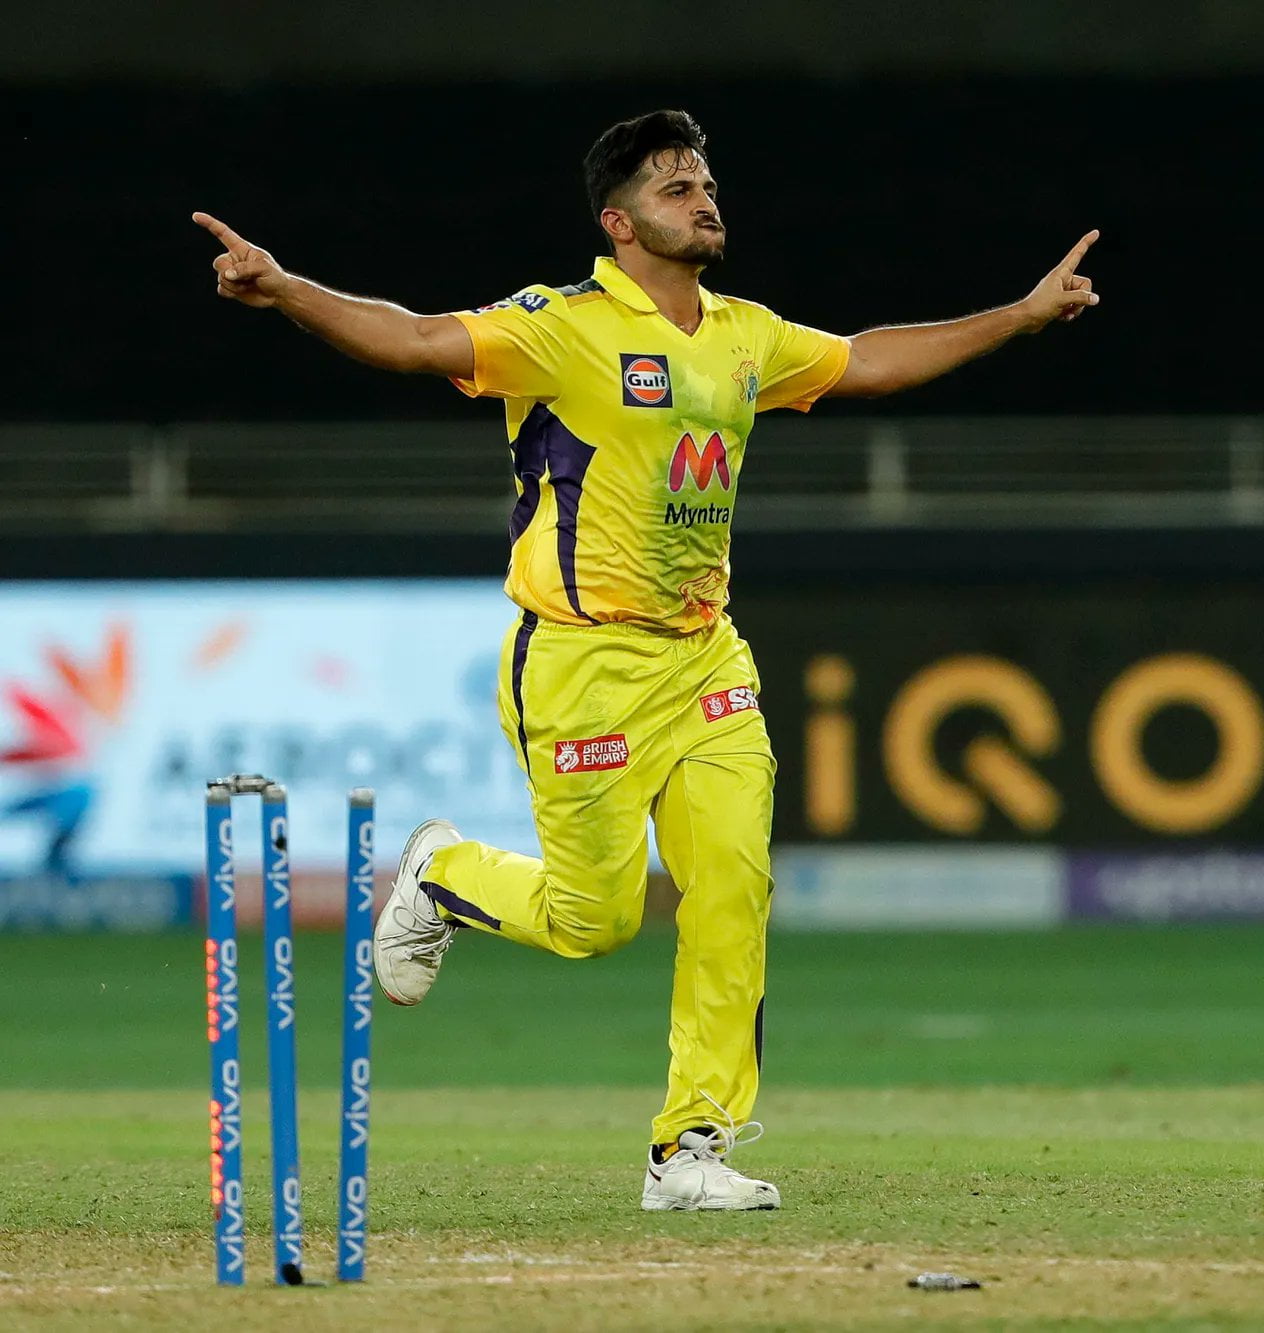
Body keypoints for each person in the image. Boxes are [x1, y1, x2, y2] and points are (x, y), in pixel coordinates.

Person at [192, 108, 1099, 1212]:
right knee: (597, 921)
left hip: (705, 658)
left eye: (706, 183)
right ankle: (441, 872)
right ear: (618, 223)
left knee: (733, 887)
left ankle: (689, 1148)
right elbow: (418, 340)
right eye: (676, 188)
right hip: (581, 664)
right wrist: (287, 289)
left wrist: (1020, 314)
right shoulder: (560, 327)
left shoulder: (745, 335)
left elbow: (867, 359)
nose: (704, 199)